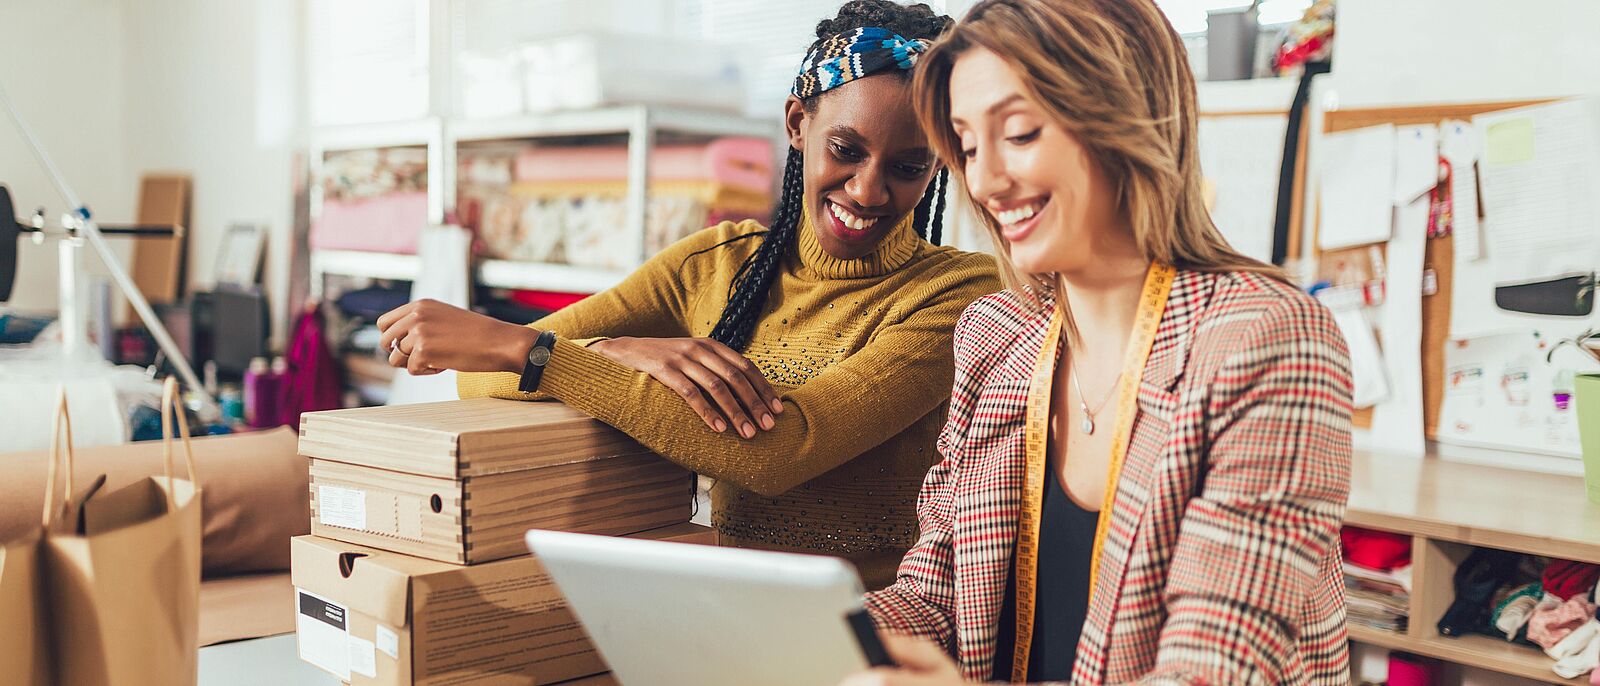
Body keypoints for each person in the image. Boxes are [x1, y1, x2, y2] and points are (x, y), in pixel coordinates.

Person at [374, 0, 1001, 590]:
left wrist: (544, 355)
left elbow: (784, 449)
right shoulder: (718, 262)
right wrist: (616, 350)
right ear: (797, 125)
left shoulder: (958, 295)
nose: (868, 191)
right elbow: (480, 375)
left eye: (908, 167)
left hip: (875, 633)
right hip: (714, 607)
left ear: (938, 165)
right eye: (846, 149)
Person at [843, 0, 1353, 683]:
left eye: (1019, 133)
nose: (986, 181)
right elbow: (937, 599)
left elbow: (1210, 669)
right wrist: (830, 636)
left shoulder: (1265, 339)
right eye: (966, 147)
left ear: (1125, 118)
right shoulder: (997, 337)